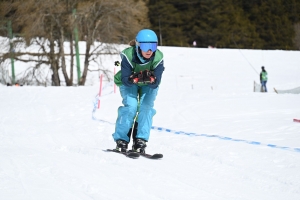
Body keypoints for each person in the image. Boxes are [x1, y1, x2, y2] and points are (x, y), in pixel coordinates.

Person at [112, 29, 164, 153]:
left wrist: (151, 79)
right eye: (146, 46)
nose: (150, 50)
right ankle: (122, 139)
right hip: (129, 83)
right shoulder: (128, 55)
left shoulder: (158, 57)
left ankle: (140, 140)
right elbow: (125, 79)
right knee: (131, 107)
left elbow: (156, 82)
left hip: (148, 85)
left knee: (146, 108)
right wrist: (134, 77)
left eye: (153, 46)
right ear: (138, 45)